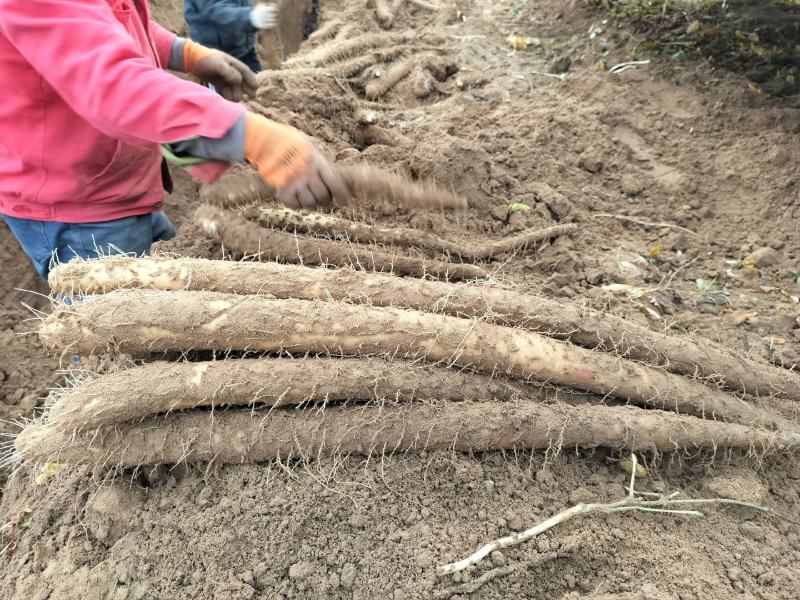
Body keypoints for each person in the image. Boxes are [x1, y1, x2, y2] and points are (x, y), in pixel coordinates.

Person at [0, 0, 344, 280]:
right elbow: (115, 88)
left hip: (117, 184)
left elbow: (118, 19)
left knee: (172, 292)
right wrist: (256, 139)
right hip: (79, 211)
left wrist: (186, 53)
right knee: (117, 340)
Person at [183, 0, 275, 74]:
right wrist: (250, 17)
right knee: (222, 95)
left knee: (258, 88)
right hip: (215, 54)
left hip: (243, 46)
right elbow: (217, 10)